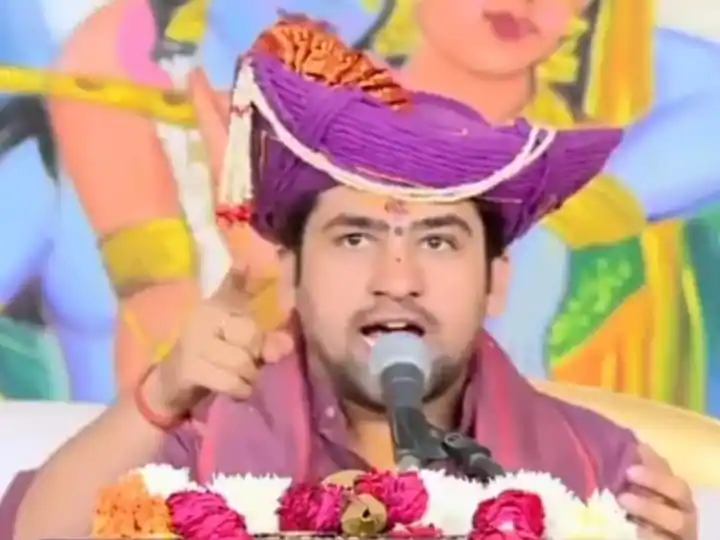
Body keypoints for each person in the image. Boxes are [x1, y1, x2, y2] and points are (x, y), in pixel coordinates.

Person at [3, 16, 697, 540]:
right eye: (355, 238)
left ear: (497, 283)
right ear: (292, 274)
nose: (397, 278)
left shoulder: (603, 470)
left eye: (438, 240)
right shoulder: (202, 439)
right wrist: (159, 397)